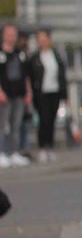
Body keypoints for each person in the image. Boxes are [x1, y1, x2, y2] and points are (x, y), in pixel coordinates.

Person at [27, 28, 68, 164]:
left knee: (51, 120)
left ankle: (50, 147)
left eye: (45, 39)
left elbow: (62, 76)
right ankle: (42, 148)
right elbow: (30, 77)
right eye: (40, 40)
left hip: (54, 92)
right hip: (41, 93)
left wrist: (65, 95)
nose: (43, 42)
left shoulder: (56, 56)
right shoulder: (34, 57)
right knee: (43, 120)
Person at [0, 24, 33, 168]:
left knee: (16, 125)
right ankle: (1, 153)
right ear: (3, 35)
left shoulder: (20, 54)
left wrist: (28, 92)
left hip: (18, 95)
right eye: (8, 34)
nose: (11, 36)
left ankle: (13, 153)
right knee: (2, 125)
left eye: (13, 34)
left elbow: (26, 76)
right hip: (4, 95)